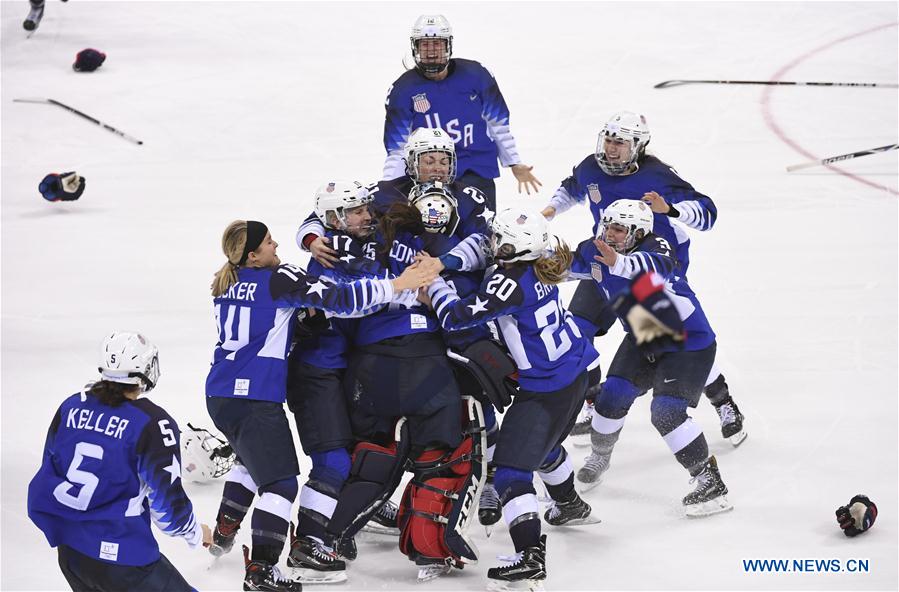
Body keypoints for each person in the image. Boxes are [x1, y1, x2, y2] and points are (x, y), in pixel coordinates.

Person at [204, 220, 434, 592]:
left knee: (251, 460)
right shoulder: (279, 278)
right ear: (253, 256)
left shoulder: (227, 283)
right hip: (254, 397)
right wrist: (398, 285)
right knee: (279, 484)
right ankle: (262, 569)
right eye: (267, 242)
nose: (275, 243)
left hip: (220, 394)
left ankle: (225, 529)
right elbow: (341, 300)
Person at [420, 208, 600, 590]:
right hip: (575, 373)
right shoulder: (542, 259)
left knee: (511, 473)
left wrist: (435, 284)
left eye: (499, 240)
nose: (492, 244)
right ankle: (569, 504)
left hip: (546, 388)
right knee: (544, 447)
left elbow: (457, 318)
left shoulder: (509, 280)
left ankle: (530, 556)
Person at [542, 110, 745, 447]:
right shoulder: (591, 167)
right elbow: (572, 188)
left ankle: (722, 399)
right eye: (608, 140)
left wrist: (673, 210)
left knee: (659, 337)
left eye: (620, 142)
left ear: (637, 146)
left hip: (652, 265)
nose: (611, 148)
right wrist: (549, 211)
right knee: (578, 327)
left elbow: (707, 214)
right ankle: (595, 404)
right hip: (604, 260)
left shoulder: (658, 175)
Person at [569, 200, 732, 517]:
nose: (610, 234)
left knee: (666, 412)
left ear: (637, 232)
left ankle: (710, 482)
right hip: (646, 333)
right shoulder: (597, 249)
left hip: (689, 342)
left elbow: (656, 267)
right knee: (609, 399)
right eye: (608, 226)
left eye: (619, 229)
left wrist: (618, 264)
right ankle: (601, 455)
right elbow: (562, 269)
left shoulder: (655, 245)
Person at [27, 331, 211, 592]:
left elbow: (51, 466)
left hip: (72, 555)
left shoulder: (70, 407)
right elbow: (168, 510)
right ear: (145, 369)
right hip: (123, 558)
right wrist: (195, 533)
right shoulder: (151, 422)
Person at [382, 14, 541, 211]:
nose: (431, 51)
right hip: (430, 174)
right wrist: (389, 189)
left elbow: (497, 123)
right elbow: (397, 149)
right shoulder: (402, 90)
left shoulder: (477, 75)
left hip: (476, 167)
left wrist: (514, 162)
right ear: (415, 47)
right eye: (425, 45)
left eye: (437, 44)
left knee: (482, 233)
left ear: (448, 45)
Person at [298, 128, 492, 271]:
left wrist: (441, 263)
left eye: (444, 161)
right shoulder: (385, 191)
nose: (438, 168)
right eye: (429, 161)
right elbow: (330, 212)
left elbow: (487, 243)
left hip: (453, 277)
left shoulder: (470, 197)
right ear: (412, 161)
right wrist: (312, 240)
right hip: (398, 280)